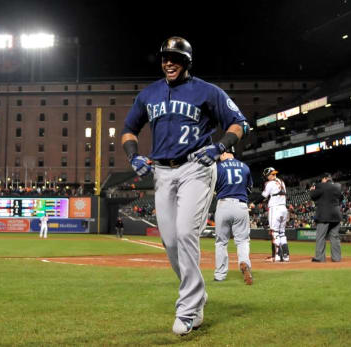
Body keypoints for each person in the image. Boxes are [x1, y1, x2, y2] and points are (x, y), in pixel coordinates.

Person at [121, 36, 249, 335]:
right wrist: (132, 156)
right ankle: (198, 294)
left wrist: (219, 147)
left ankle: (189, 309)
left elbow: (239, 123)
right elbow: (129, 129)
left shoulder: (207, 91)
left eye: (175, 58)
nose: (168, 62)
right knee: (170, 241)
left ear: (187, 62)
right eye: (165, 57)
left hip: (196, 168)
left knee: (184, 233)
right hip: (162, 173)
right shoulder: (149, 94)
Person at [213, 149, 253, 285]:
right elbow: (249, 189)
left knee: (221, 242)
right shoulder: (245, 167)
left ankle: (220, 275)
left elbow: (213, 187)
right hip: (241, 205)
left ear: (224, 154)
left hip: (223, 204)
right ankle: (244, 262)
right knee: (242, 241)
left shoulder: (218, 167)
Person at [250, 167, 290, 262]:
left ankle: (276, 256)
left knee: (274, 232)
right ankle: (285, 256)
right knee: (282, 233)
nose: (270, 176)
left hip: (275, 209)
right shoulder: (282, 182)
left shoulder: (270, 183)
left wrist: (253, 203)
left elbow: (263, 196)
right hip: (284, 208)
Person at [309, 173, 342, 262]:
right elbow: (341, 199)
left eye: (322, 179)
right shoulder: (338, 186)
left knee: (320, 237)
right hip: (336, 215)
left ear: (324, 179)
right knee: (334, 237)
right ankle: (336, 258)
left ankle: (320, 257)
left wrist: (312, 190)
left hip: (324, 215)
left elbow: (313, 196)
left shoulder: (321, 186)